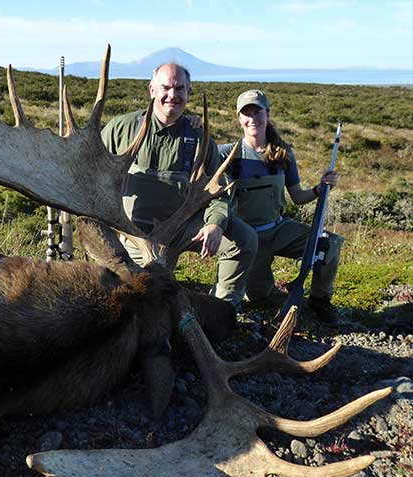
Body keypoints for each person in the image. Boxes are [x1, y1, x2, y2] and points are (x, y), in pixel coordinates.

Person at [101, 63, 257, 308]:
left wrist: (215, 224)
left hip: (183, 228)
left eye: (180, 89)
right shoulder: (120, 129)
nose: (172, 95)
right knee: (140, 300)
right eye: (165, 87)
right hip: (134, 234)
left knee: (243, 238)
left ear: (188, 92)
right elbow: (91, 173)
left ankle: (222, 308)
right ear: (151, 89)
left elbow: (219, 191)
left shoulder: (200, 138)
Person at [218, 89, 343, 325]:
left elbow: (297, 196)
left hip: (278, 230)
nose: (253, 118)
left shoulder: (283, 153)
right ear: (239, 118)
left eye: (258, 111)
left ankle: (319, 300)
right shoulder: (226, 154)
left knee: (329, 244)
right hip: (245, 238)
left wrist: (320, 188)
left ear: (267, 113)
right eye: (247, 113)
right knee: (259, 297)